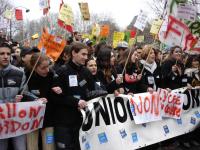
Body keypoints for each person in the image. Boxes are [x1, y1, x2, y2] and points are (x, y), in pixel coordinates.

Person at [54, 42, 95, 150]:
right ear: (74, 53)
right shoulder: (61, 71)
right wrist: (75, 102)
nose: (86, 58)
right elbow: (56, 97)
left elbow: (93, 91)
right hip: (64, 122)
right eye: (83, 54)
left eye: (87, 55)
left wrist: (113, 91)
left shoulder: (86, 72)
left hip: (82, 121)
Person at [26, 53, 62, 150]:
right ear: (34, 66)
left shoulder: (53, 75)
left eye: (48, 66)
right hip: (32, 120)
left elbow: (58, 98)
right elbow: (24, 94)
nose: (47, 70)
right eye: (43, 68)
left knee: (49, 146)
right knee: (32, 146)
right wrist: (35, 100)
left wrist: (58, 91)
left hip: (48, 118)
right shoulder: (27, 75)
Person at [0, 42, 27, 150]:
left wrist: (37, 100)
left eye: (8, 53)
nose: (5, 56)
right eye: (2, 53)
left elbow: (25, 93)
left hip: (17, 121)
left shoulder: (19, 73)